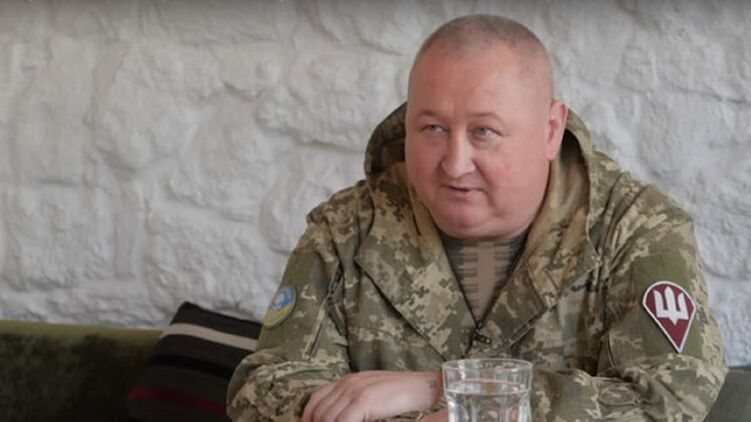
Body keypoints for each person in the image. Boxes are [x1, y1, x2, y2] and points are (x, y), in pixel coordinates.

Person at [227, 14, 727, 421]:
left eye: (484, 131)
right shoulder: (348, 229)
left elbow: (669, 397)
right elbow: (264, 389)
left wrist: (444, 390)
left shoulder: (635, 228)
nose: (455, 163)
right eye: (432, 128)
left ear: (550, 130)